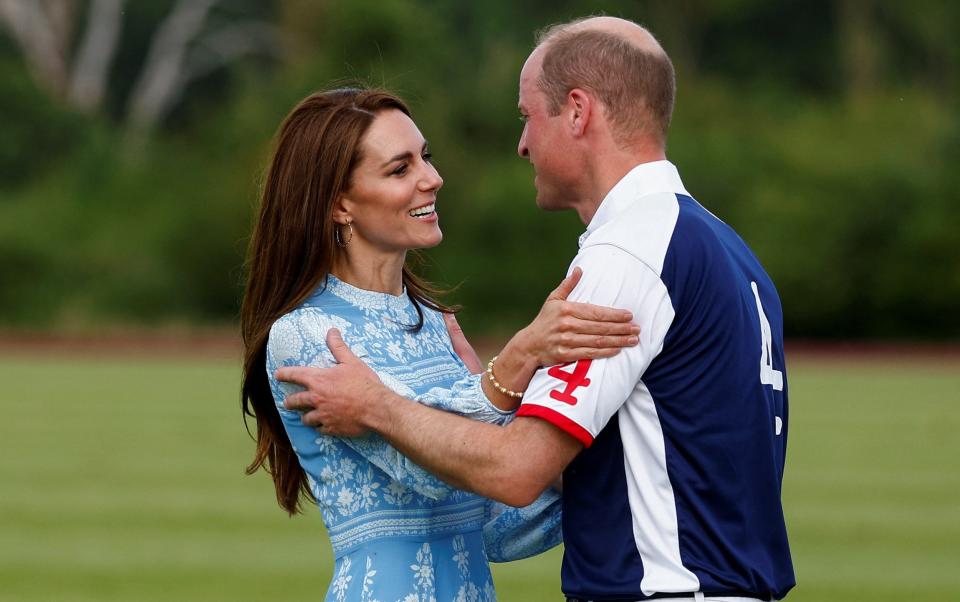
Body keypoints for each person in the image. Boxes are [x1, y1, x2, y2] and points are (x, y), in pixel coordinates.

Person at [279, 16, 796, 602]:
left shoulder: (627, 255)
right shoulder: (725, 246)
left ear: (577, 112)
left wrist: (386, 406)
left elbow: (512, 473)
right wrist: (501, 382)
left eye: (528, 115)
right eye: (402, 167)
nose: (522, 142)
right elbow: (515, 501)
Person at [240, 87, 643, 601]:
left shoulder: (435, 323)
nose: (432, 178)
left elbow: (494, 522)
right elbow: (431, 470)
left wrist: (610, 460)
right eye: (399, 168)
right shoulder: (306, 334)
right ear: (340, 204)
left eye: (425, 157)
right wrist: (517, 362)